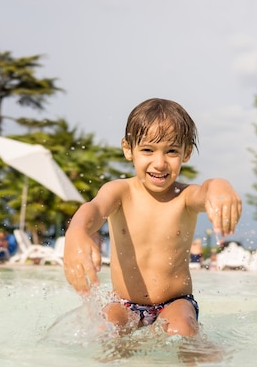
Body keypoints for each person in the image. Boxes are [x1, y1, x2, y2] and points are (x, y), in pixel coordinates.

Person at [63, 98, 242, 337]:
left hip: (175, 303)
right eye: (147, 150)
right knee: (102, 329)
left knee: (182, 330)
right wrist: (76, 232)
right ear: (128, 149)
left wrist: (219, 184)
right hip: (124, 303)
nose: (159, 163)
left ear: (186, 153)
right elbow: (94, 209)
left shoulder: (185, 197)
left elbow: (205, 192)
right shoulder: (120, 191)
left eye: (171, 151)